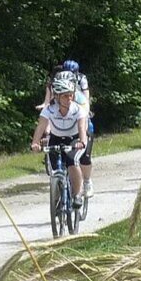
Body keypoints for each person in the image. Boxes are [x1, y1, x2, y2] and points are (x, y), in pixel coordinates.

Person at [31, 75, 88, 207]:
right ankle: (57, 194)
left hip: (74, 139)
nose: (69, 99)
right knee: (55, 169)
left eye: (71, 95)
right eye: (65, 96)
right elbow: (41, 126)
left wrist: (82, 142)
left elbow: (82, 128)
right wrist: (35, 143)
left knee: (72, 162)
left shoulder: (78, 110)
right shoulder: (49, 109)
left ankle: (77, 194)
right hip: (56, 138)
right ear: (57, 97)